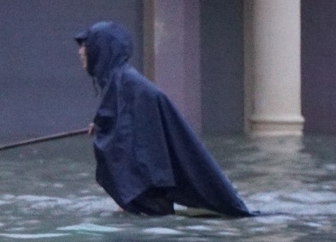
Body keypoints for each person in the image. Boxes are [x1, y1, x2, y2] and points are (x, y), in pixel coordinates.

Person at [74, 21, 251, 217]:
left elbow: (138, 136)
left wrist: (107, 128)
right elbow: (128, 126)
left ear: (102, 48)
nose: (81, 52)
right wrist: (103, 126)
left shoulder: (127, 84)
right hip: (149, 188)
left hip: (151, 191)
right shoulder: (120, 82)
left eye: (85, 45)